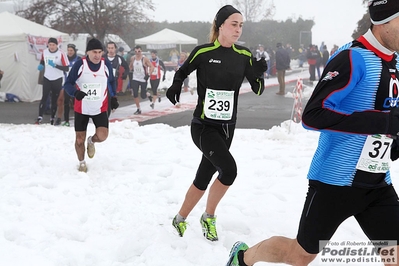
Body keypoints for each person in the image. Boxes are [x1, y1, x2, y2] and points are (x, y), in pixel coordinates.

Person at [226, 1, 399, 265]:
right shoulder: (352, 57)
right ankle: (244, 256)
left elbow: (390, 111)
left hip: (377, 182)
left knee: (395, 254)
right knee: (301, 255)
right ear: (384, 21)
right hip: (335, 183)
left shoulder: (395, 61)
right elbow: (313, 114)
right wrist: (381, 124)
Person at [167, 5, 267, 242]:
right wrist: (175, 85)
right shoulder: (203, 52)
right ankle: (208, 217)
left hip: (227, 128)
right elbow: (182, 71)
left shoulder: (243, 55)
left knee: (203, 177)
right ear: (220, 25)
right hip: (203, 126)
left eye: (241, 25)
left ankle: (179, 219)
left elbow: (259, 89)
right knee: (229, 170)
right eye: (234, 24)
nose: (238, 29)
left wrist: (258, 72)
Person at [64, 38, 119, 172]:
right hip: (82, 107)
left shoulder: (105, 64)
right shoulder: (80, 64)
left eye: (100, 52)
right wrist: (75, 93)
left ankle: (92, 141)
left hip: (100, 107)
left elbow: (111, 81)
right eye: (94, 52)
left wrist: (114, 97)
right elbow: (67, 84)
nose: (97, 55)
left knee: (103, 136)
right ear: (87, 52)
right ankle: (82, 163)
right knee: (79, 139)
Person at [35, 37, 69, 125]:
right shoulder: (45, 52)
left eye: (53, 45)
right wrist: (41, 65)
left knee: (55, 99)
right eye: (50, 45)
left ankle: (52, 117)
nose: (52, 47)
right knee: (44, 97)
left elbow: (66, 68)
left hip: (57, 78)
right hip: (47, 77)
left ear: (57, 45)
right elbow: (42, 61)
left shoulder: (61, 53)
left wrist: (55, 65)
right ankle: (39, 117)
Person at [59, 43, 81, 127]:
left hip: (76, 84)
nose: (69, 52)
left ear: (74, 51)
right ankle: (66, 120)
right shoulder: (65, 59)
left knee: (76, 102)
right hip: (67, 83)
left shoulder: (78, 59)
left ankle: (78, 119)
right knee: (66, 102)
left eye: (71, 50)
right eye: (68, 50)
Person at [129, 45, 154, 115]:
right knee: (135, 93)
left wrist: (148, 74)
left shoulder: (144, 59)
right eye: (136, 51)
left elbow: (152, 67)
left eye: (139, 51)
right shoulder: (132, 58)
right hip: (135, 78)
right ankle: (138, 109)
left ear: (141, 51)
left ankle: (148, 94)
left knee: (143, 96)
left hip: (143, 79)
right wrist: (128, 71)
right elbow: (130, 66)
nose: (137, 53)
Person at [105, 41, 129, 116]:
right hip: (104, 81)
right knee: (105, 97)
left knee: (111, 96)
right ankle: (106, 113)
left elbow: (127, 67)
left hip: (114, 81)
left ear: (115, 49)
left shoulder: (119, 58)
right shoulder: (103, 58)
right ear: (107, 49)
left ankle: (113, 104)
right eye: (109, 48)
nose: (111, 50)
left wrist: (125, 74)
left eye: (112, 48)